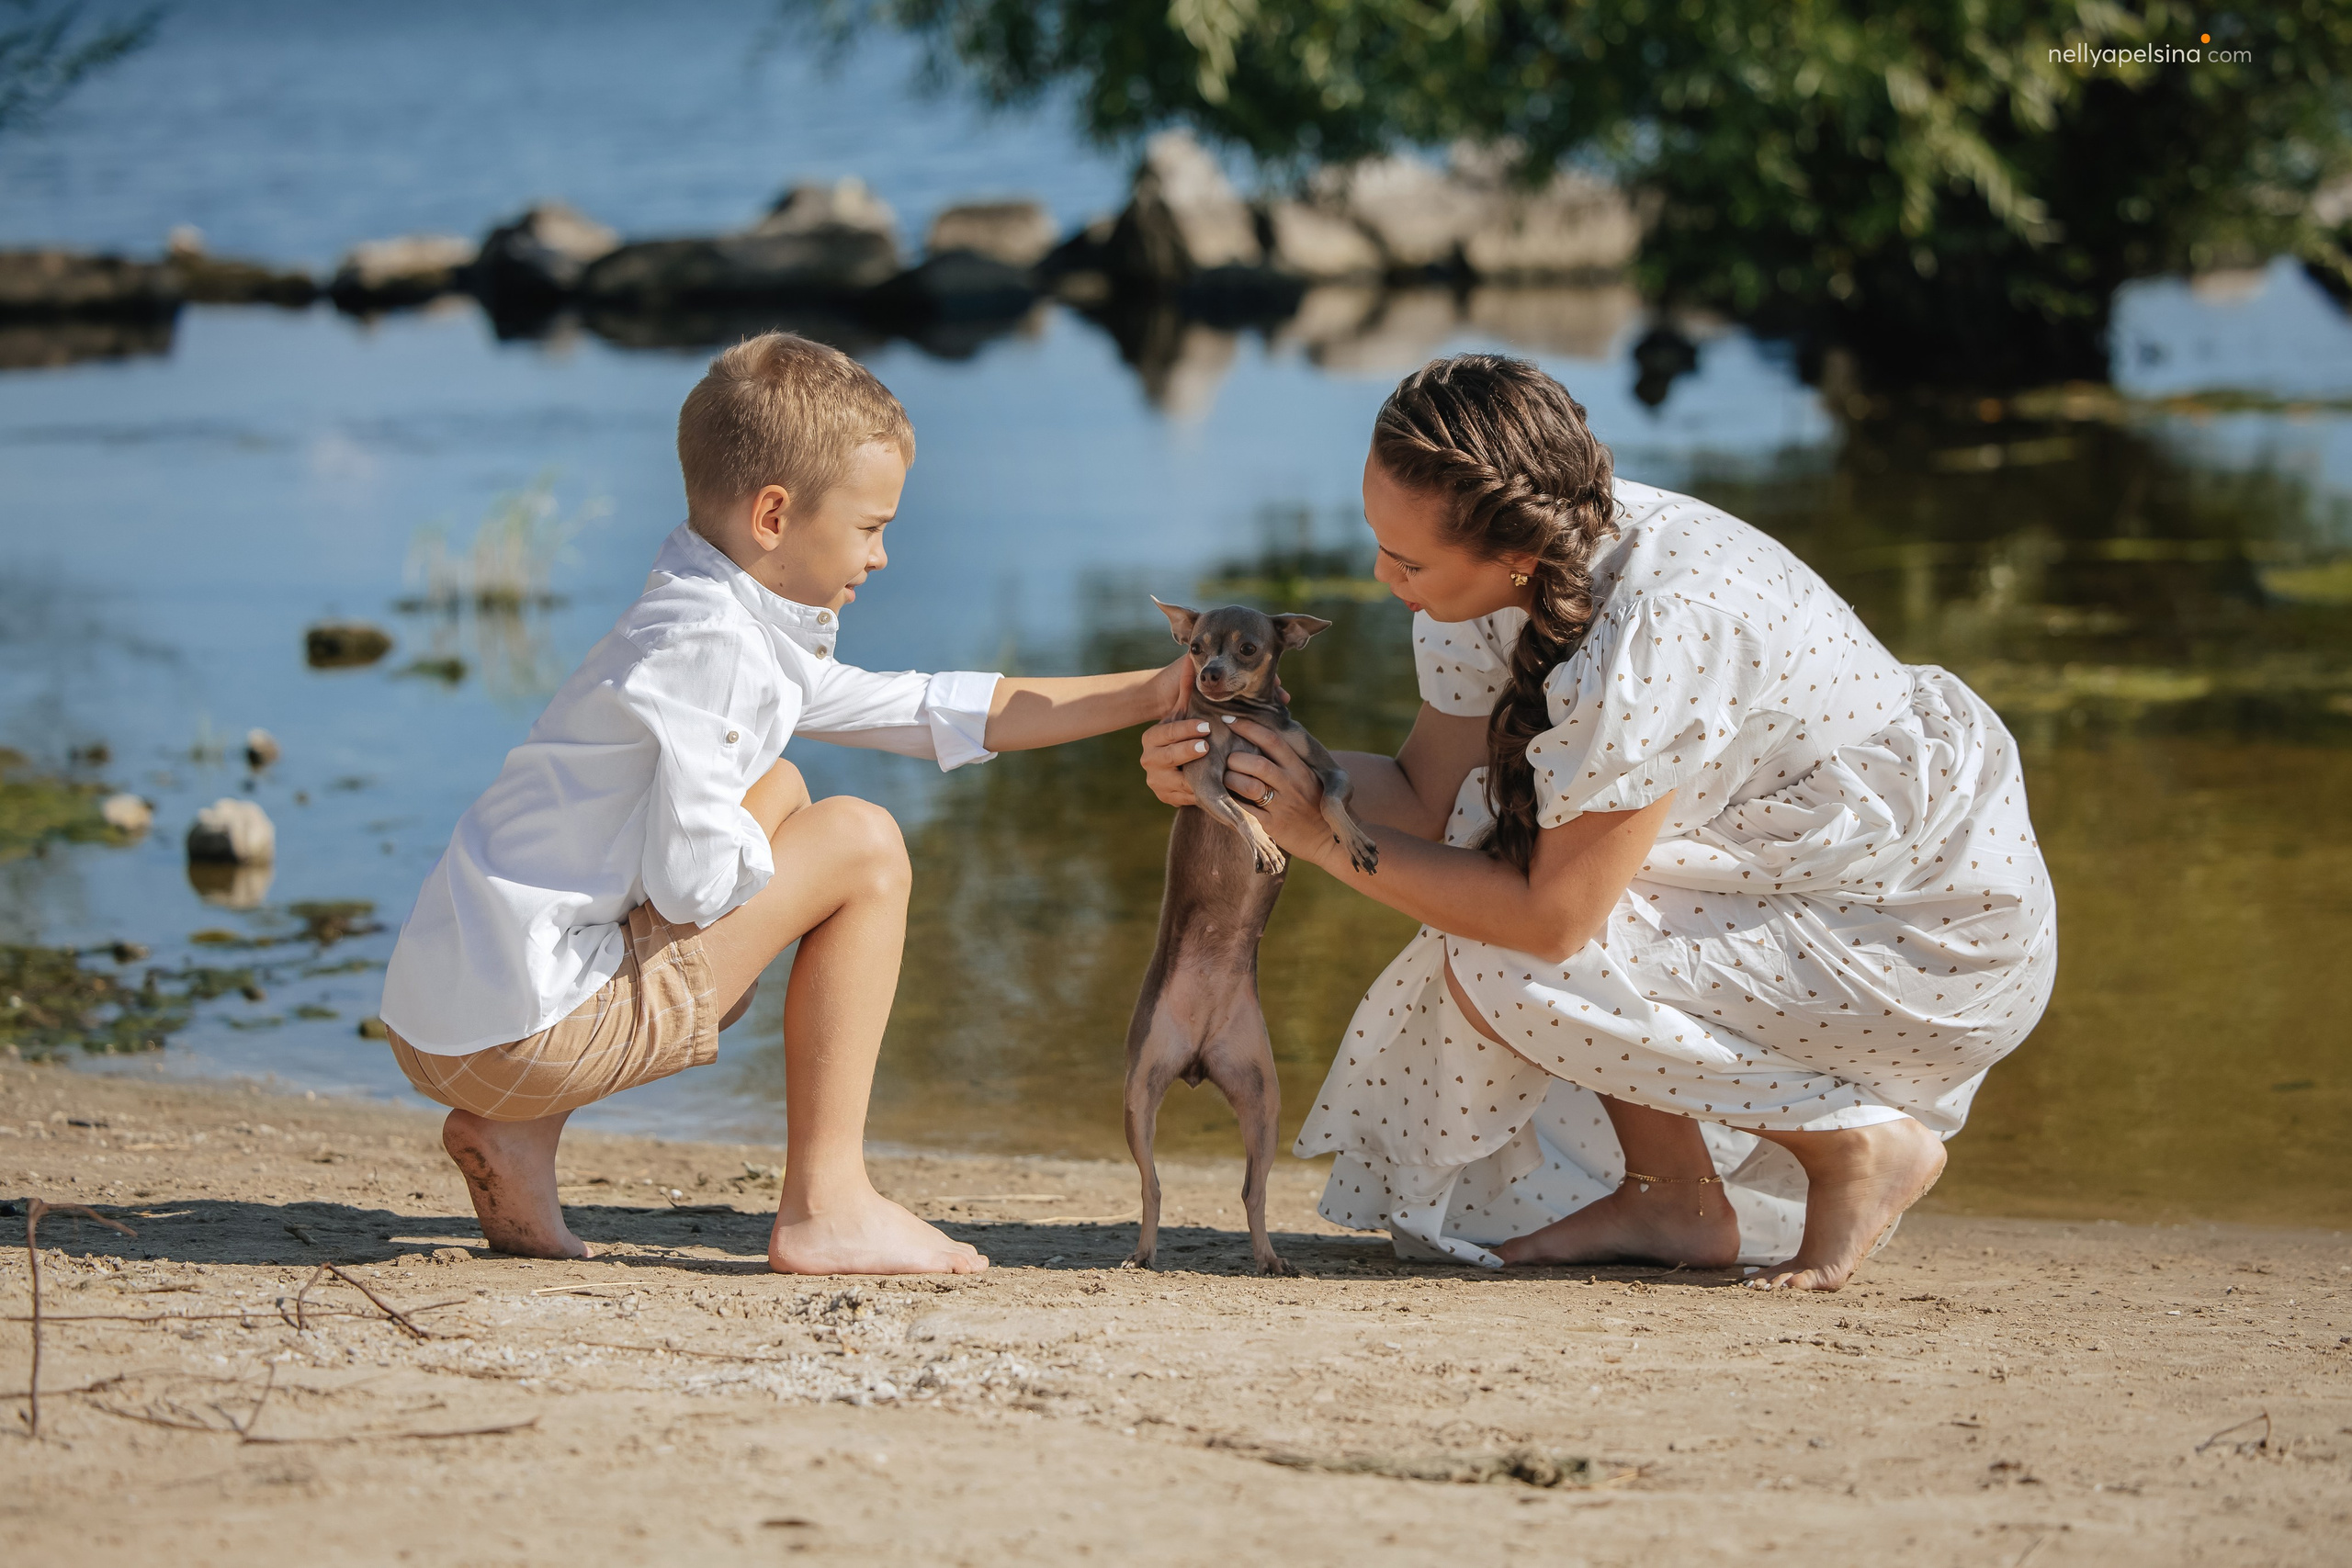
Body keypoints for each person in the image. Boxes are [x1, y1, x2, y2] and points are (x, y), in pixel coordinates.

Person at [1138, 354, 2055, 1292]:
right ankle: (1672, 1198)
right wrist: (1238, 761)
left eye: (1407, 561)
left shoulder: (1658, 626)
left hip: (1914, 923)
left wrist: (1317, 836)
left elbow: (1550, 921)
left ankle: (1855, 1145)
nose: (1382, 576)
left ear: (1513, 547)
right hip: (1782, 877)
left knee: (1500, 952)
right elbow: (1418, 794)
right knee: (1480, 845)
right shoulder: (1494, 578)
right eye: (1380, 543)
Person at [381, 333, 1185, 1274]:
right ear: (773, 514)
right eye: (871, 527)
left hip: (449, 1019)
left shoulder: (696, 609)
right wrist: (788, 889)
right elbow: (690, 884)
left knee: (785, 788)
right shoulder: (719, 650)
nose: (882, 556)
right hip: (521, 1036)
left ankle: (516, 1135)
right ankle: (827, 1205)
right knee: (862, 844)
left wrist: (1153, 692)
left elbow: (930, 709)